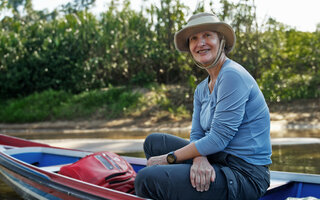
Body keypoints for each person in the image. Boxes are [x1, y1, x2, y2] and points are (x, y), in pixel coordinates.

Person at [134, 12, 272, 200]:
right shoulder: (201, 89)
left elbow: (218, 139)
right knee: (154, 142)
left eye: (207, 35)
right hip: (219, 158)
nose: (201, 43)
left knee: (146, 179)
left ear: (221, 40)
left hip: (245, 174)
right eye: (194, 38)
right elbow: (197, 135)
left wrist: (169, 158)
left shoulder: (232, 75)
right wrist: (200, 158)